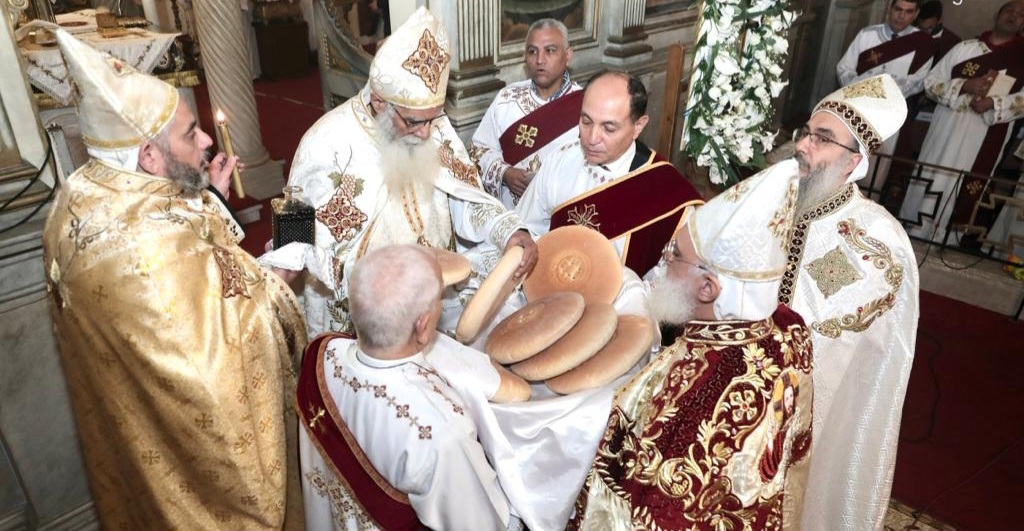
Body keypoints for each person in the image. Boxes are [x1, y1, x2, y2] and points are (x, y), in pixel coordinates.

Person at [42, 30, 308, 529]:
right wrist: (278, 278)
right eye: (190, 134)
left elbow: (181, 243)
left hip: (138, 430)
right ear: (148, 155)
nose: (206, 140)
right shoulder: (146, 255)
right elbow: (210, 370)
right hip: (200, 476)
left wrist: (213, 199)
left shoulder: (81, 194)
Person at [263, 7, 537, 336]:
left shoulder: (430, 124)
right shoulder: (324, 144)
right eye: (414, 122)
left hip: (437, 298)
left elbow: (464, 197)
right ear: (380, 102)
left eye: (433, 119)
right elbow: (295, 243)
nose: (426, 133)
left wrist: (508, 230)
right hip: (368, 318)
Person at [570, 161, 813, 530]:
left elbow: (649, 510)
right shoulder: (790, 328)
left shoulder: (700, 385)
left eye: (675, 255)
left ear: (708, 288)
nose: (663, 262)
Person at [296, 245, 523, 531]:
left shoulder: (321, 351)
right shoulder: (441, 435)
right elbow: (481, 523)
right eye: (439, 300)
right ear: (423, 326)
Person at [780, 74, 920, 531]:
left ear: (854, 161)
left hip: (808, 403)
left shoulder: (875, 238)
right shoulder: (776, 200)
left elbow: (825, 331)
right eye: (806, 132)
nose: (803, 146)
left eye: (822, 139)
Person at [517, 69, 702, 277]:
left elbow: (669, 279)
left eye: (609, 128)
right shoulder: (561, 160)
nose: (592, 138)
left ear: (638, 126)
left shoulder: (667, 192)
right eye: (586, 121)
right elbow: (525, 228)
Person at [900, 1, 1024, 244]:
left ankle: (946, 241)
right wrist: (964, 85)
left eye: (1021, 14)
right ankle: (911, 233)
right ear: (997, 15)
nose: (1013, 16)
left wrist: (994, 103)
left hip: (985, 135)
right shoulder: (965, 48)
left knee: (963, 187)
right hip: (945, 131)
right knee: (932, 176)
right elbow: (930, 83)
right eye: (1009, 10)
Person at [471, 18, 582, 208]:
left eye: (550, 50)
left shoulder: (585, 107)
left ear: (568, 54)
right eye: (532, 51)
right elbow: (478, 150)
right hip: (509, 215)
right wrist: (504, 173)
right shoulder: (507, 99)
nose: (539, 60)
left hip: (556, 216)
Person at [836, 0, 934, 193]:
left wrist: (883, 89)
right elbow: (844, 68)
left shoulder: (922, 43)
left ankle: (867, 203)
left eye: (908, 12)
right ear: (889, 8)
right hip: (859, 108)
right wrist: (864, 89)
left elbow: (919, 81)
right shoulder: (867, 34)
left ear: (916, 14)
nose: (901, 16)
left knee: (876, 168)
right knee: (847, 158)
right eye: (898, 9)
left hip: (889, 113)